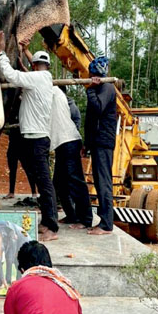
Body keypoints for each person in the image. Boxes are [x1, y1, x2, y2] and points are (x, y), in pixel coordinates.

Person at [0, 33, 60, 241]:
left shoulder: (37, 79)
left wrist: (1, 52)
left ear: (35, 66)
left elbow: (12, 75)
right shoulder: (43, 78)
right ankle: (46, 221)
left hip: (37, 139)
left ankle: (51, 226)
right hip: (36, 137)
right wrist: (25, 52)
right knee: (42, 181)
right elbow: (28, 73)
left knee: (44, 182)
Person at [49, 85, 93, 229]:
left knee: (75, 181)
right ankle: (72, 215)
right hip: (62, 144)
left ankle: (85, 219)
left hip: (69, 143)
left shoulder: (63, 101)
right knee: (59, 183)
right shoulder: (56, 100)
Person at [84, 56, 117, 235]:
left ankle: (106, 224)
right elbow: (91, 120)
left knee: (104, 182)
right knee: (99, 181)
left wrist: (90, 90)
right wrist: (86, 143)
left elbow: (98, 108)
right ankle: (103, 221)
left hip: (104, 142)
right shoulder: (99, 88)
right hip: (97, 142)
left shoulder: (107, 88)